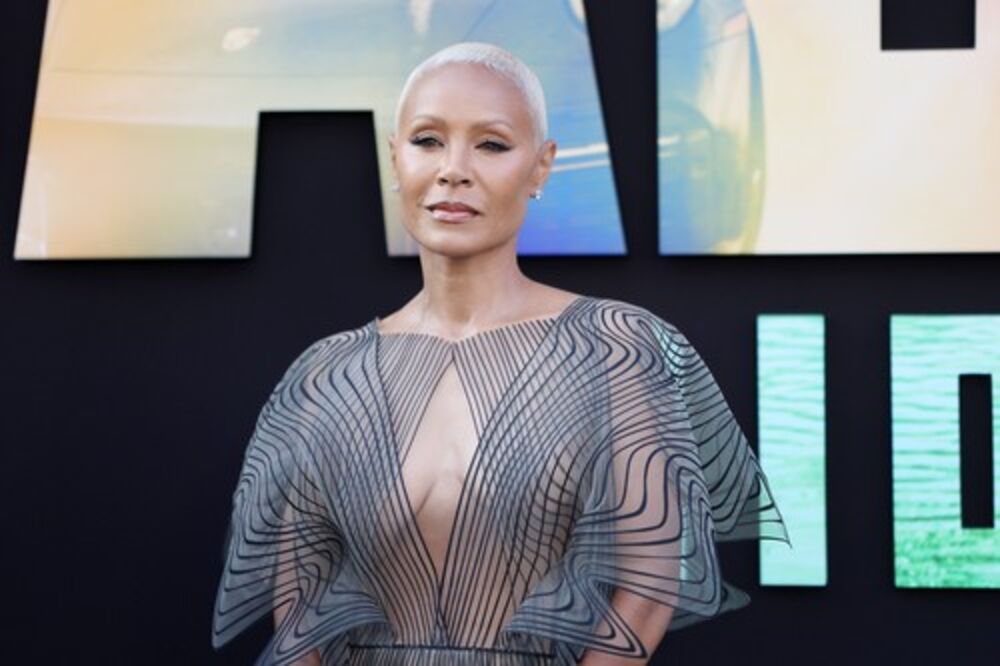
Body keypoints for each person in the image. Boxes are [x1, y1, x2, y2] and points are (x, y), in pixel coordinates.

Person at [211, 42, 788, 665]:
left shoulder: (615, 349)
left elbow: (647, 585)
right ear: (395, 158)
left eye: (490, 144)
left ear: (541, 167)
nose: (453, 170)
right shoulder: (328, 374)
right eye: (427, 140)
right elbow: (298, 606)